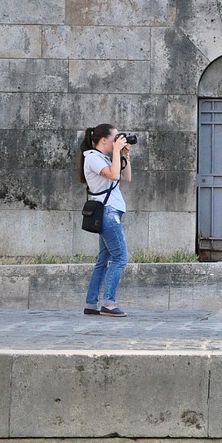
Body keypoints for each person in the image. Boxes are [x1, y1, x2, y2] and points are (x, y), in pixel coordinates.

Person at [79, 123, 132, 317]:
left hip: (112, 211)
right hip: (108, 212)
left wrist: (124, 153)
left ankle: (91, 304)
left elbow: (126, 177)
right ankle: (108, 303)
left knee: (103, 260)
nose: (118, 140)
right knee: (120, 258)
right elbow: (112, 174)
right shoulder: (92, 158)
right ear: (104, 140)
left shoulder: (104, 158)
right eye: (115, 138)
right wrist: (116, 152)